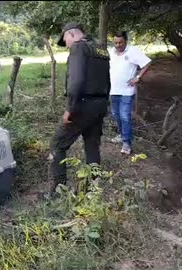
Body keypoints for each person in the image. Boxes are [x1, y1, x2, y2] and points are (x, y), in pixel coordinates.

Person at [48, 22, 111, 194]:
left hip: (82, 106)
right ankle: (92, 189)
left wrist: (70, 108)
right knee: (92, 146)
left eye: (65, 40)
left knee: (57, 144)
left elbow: (75, 83)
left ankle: (58, 191)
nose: (67, 45)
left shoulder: (78, 48)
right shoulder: (102, 50)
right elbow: (107, 80)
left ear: (71, 35)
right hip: (99, 105)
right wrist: (104, 104)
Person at [108, 31, 152, 155]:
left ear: (126, 41)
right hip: (113, 90)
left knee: (125, 116)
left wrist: (137, 77)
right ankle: (122, 135)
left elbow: (147, 63)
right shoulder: (111, 51)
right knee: (116, 115)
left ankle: (126, 143)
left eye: (120, 42)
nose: (118, 45)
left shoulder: (133, 51)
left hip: (127, 91)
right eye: (115, 42)